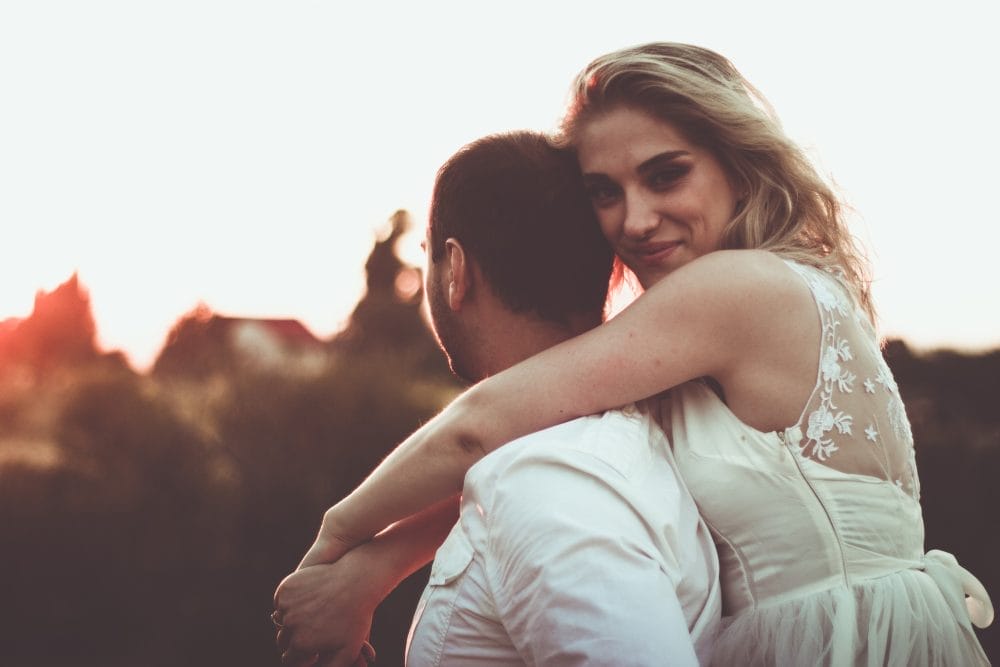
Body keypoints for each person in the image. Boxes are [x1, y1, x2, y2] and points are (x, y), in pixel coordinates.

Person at [287, 43, 994, 665]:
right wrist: (376, 569)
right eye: (605, 191)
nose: (634, 219)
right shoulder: (707, 327)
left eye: (665, 175)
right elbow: (529, 453)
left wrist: (337, 535)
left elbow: (486, 422)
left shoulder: (735, 289)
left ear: (737, 167)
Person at [274, 131, 721, 666]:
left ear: (455, 271)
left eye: (428, 260)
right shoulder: (600, 450)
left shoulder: (547, 486)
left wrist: (340, 544)